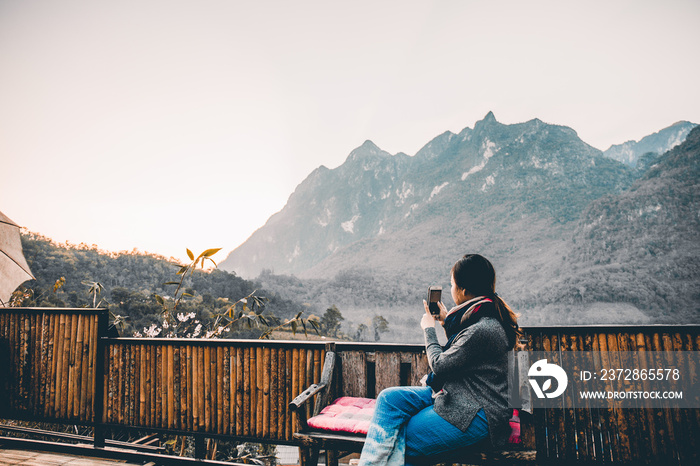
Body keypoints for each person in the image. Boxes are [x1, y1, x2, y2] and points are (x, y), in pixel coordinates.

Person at [357, 254, 523, 466]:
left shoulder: (484, 328)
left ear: (463, 290)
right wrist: (446, 322)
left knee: (402, 438)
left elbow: (441, 365)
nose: (451, 289)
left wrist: (429, 329)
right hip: (457, 396)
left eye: (452, 284)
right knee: (389, 399)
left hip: (477, 412)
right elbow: (463, 350)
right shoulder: (480, 319)